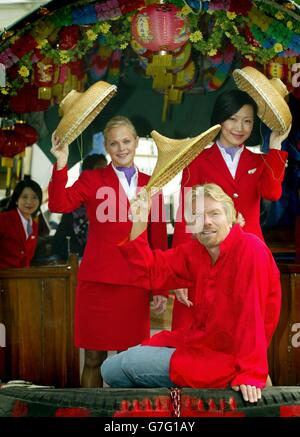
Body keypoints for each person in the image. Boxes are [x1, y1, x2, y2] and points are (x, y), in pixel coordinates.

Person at [101, 183, 281, 403]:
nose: (205, 222)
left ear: (231, 216)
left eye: (214, 214)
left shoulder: (250, 248)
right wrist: (140, 220)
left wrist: (251, 374)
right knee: (114, 365)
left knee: (114, 369)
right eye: (197, 216)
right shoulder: (198, 251)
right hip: (201, 345)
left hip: (227, 361)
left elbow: (252, 315)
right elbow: (151, 269)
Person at [48, 115, 168, 388]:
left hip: (135, 284)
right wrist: (61, 161)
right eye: (114, 143)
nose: (121, 147)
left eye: (126, 141)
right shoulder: (92, 178)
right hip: (97, 282)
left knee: (129, 363)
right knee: (93, 359)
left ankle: (122, 419)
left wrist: (161, 287)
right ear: (106, 148)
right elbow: (57, 204)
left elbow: (159, 241)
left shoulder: (153, 183)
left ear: (137, 142)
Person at [171, 89, 290, 329]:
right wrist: (179, 272)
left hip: (249, 260)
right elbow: (185, 218)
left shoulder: (260, 161)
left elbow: (272, 193)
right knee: (200, 334)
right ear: (220, 119)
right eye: (233, 119)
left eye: (247, 121)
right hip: (206, 259)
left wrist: (276, 145)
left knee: (245, 332)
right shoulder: (196, 160)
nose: (240, 128)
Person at [51, 153, 108, 261]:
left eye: (106, 171)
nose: (103, 174)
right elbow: (59, 241)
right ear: (88, 173)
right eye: (99, 170)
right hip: (76, 262)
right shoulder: (74, 204)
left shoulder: (109, 203)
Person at [0, 179, 42, 269]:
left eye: (34, 197)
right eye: (24, 197)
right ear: (16, 200)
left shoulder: (35, 226)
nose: (29, 201)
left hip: (21, 278)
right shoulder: (3, 219)